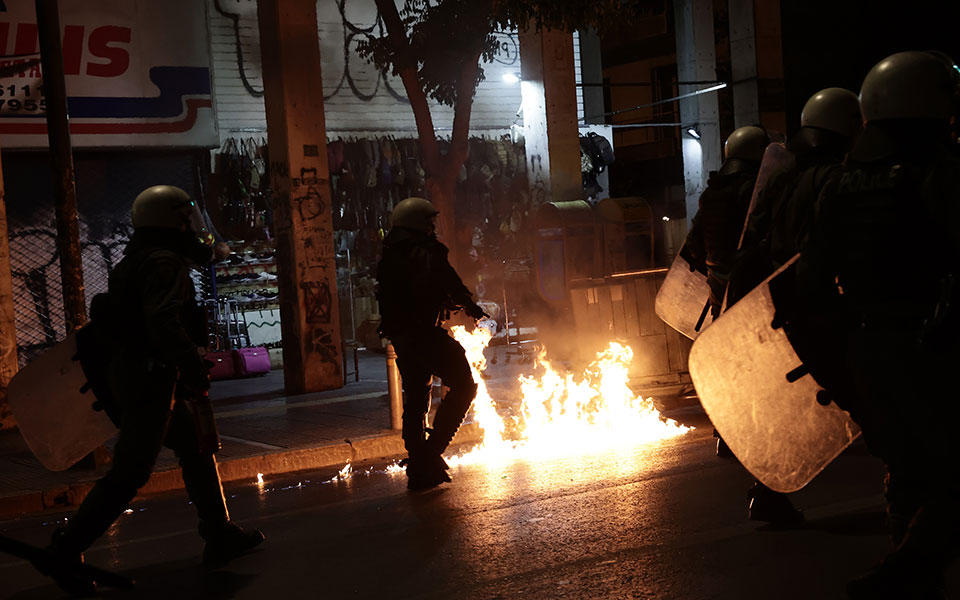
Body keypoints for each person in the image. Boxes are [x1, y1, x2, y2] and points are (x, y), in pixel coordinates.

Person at [38, 186, 264, 595]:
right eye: (186, 218)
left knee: (196, 447)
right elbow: (162, 322)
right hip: (149, 381)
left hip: (140, 375)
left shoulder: (139, 258)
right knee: (130, 472)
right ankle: (65, 550)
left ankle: (219, 533)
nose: (193, 227)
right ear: (172, 221)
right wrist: (191, 364)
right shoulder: (164, 263)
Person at [799, 51, 960, 599]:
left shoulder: (840, 185)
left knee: (907, 471)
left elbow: (810, 282)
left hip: (865, 349)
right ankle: (906, 570)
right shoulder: (939, 176)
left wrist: (844, 357)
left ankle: (912, 576)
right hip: (932, 348)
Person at [722, 88, 862, 526]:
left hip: (782, 306)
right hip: (819, 306)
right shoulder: (832, 180)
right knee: (876, 405)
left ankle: (767, 493)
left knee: (806, 406)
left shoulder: (783, 180)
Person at [376, 197, 486, 491]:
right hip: (423, 333)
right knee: (464, 385)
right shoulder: (426, 250)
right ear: (417, 223)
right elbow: (447, 280)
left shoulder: (390, 254)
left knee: (416, 398)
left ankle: (419, 464)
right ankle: (429, 455)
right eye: (428, 221)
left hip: (401, 337)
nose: (432, 227)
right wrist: (469, 305)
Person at [682, 125, 770, 318]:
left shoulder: (711, 194)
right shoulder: (753, 192)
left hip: (718, 291)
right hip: (752, 292)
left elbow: (692, 246)